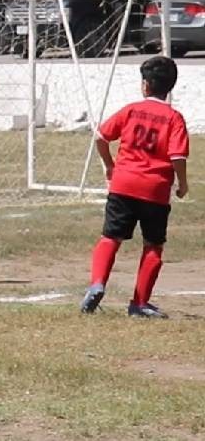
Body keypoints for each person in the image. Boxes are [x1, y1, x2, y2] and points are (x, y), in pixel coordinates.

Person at [81, 56, 189, 319]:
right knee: (153, 244)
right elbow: (177, 156)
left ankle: (97, 284)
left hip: (123, 184)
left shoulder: (130, 110)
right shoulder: (174, 118)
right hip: (155, 190)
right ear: (169, 87)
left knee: (110, 238)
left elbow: (101, 136)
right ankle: (140, 303)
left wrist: (110, 165)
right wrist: (183, 184)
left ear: (145, 86)